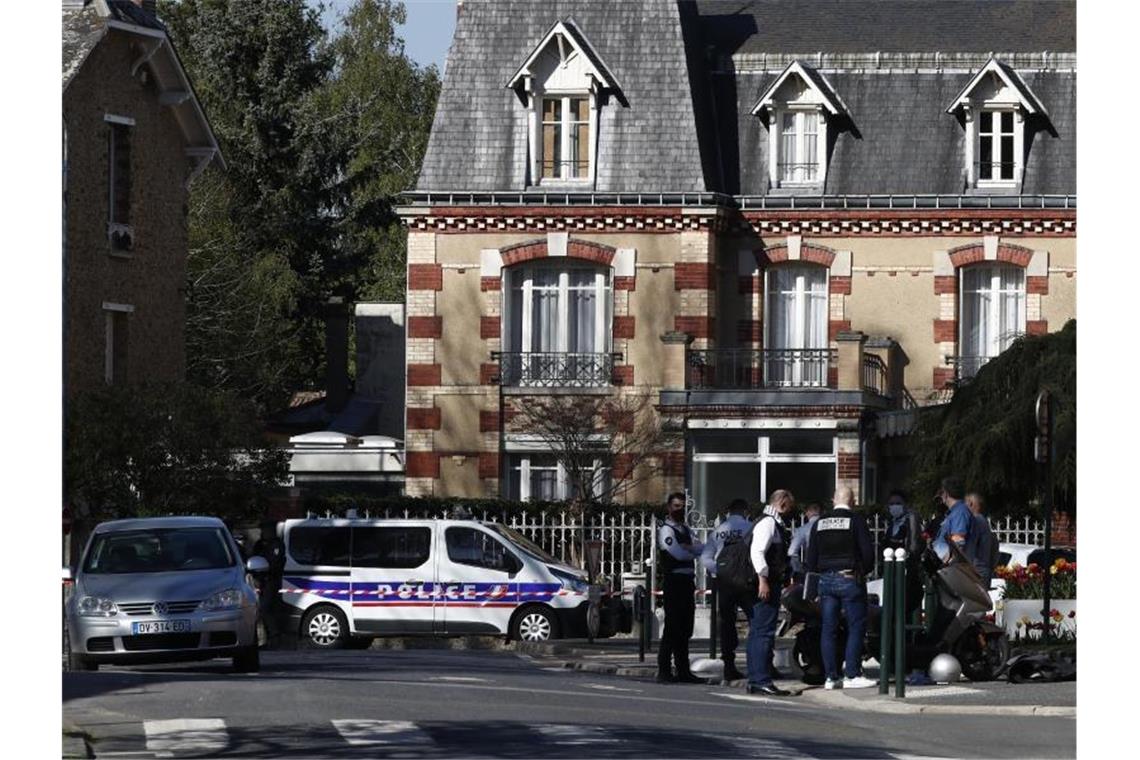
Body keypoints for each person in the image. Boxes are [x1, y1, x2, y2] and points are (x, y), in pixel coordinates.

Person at [806, 486, 876, 690]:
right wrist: (862, 571)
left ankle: (831, 677)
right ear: (853, 501)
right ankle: (852, 674)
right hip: (849, 579)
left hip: (825, 581)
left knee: (828, 629)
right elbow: (868, 554)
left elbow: (811, 558)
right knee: (856, 627)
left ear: (832, 499)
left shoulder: (819, 523)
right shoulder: (856, 521)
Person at [744, 489, 795, 696]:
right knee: (763, 633)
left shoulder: (768, 522)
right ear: (781, 503)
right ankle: (760, 679)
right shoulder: (768, 523)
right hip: (764, 584)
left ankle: (758, 678)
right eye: (789, 507)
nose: (789, 511)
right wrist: (763, 580)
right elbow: (757, 552)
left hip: (766, 583)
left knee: (759, 632)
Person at [700, 498, 754, 682]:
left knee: (727, 623)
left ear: (728, 511)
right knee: (756, 621)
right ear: (745, 511)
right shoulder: (750, 527)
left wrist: (721, 570)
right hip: (746, 582)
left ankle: (729, 666)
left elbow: (705, 558)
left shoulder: (718, 531)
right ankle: (759, 664)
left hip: (725, 583)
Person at [657, 492, 705, 684]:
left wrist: (690, 548)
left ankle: (683, 670)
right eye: (676, 506)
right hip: (674, 582)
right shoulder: (666, 531)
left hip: (686, 583)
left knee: (685, 628)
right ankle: (664, 670)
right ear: (669, 508)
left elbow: (702, 547)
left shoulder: (685, 528)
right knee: (672, 627)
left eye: (682, 506)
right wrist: (690, 550)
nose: (680, 510)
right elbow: (677, 554)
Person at [883, 490, 925, 617]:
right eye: (892, 503)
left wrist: (909, 559)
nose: (894, 506)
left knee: (904, 609)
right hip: (893, 572)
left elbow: (914, 545)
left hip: (906, 572)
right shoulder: (892, 523)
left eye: (898, 503)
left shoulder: (910, 519)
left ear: (905, 504)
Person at [934, 476, 973, 564]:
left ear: (946, 494)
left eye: (942, 491)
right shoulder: (954, 512)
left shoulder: (960, 511)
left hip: (951, 568)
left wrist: (947, 563)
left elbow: (958, 542)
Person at [965, 492, 999, 588]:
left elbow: (969, 547)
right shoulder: (983, 522)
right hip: (983, 571)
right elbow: (995, 548)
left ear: (970, 503)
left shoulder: (976, 521)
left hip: (976, 572)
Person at [787, 503, 821, 584]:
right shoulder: (827, 526)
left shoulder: (802, 529)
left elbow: (791, 552)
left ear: (808, 513)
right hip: (829, 567)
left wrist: (798, 569)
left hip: (810, 566)